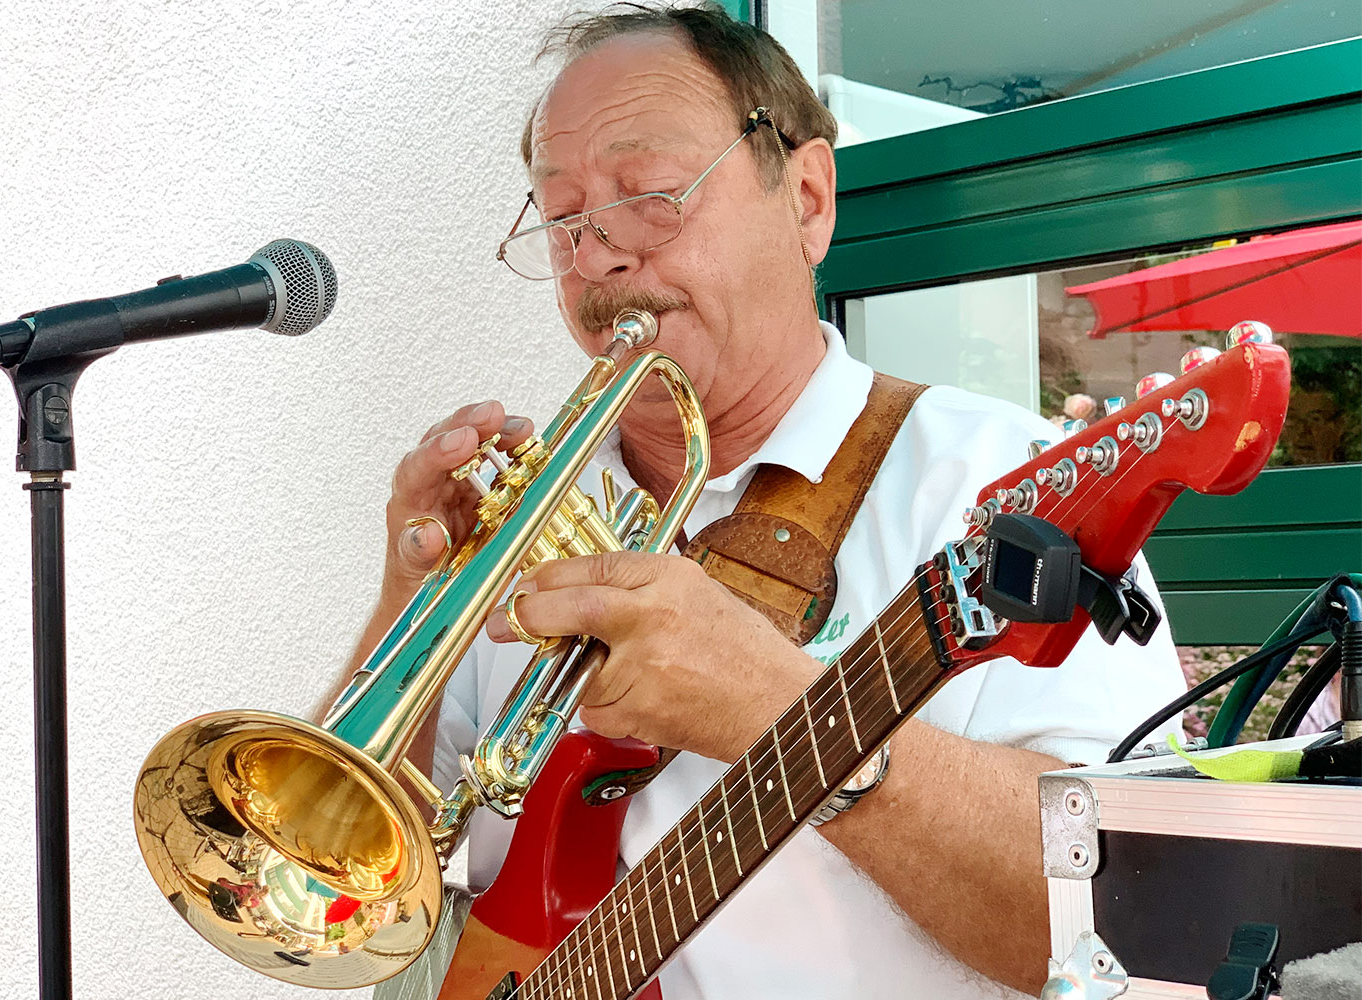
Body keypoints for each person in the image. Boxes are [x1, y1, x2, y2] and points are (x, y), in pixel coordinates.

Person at [324, 5, 1185, 997]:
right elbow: (340, 910)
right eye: (562, 215)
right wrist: (408, 610)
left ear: (808, 200)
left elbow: (1134, 921)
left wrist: (778, 709)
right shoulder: (515, 519)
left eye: (650, 194)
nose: (596, 256)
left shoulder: (996, 477)